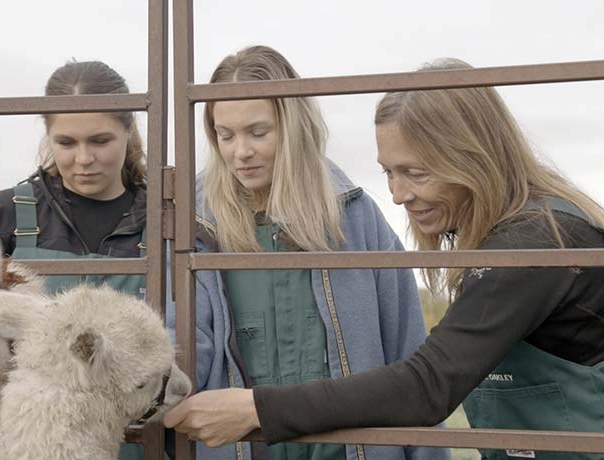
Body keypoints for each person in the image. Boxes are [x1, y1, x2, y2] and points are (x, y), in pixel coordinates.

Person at [164, 57, 604, 460]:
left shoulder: (534, 244)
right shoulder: (521, 235)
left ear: (472, 157)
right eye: (388, 172)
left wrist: (258, 408)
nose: (396, 194)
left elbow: (427, 381)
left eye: (416, 172)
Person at [165, 46, 448, 460]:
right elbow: (179, 348)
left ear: (293, 125)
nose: (240, 151)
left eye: (258, 132)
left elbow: (407, 351)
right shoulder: (195, 226)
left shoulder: (356, 216)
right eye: (225, 135)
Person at [0, 60, 148, 460]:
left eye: (100, 140)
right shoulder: (3, 215)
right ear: (48, 136)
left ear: (129, 130)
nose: (84, 158)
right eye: (66, 143)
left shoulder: (164, 222)